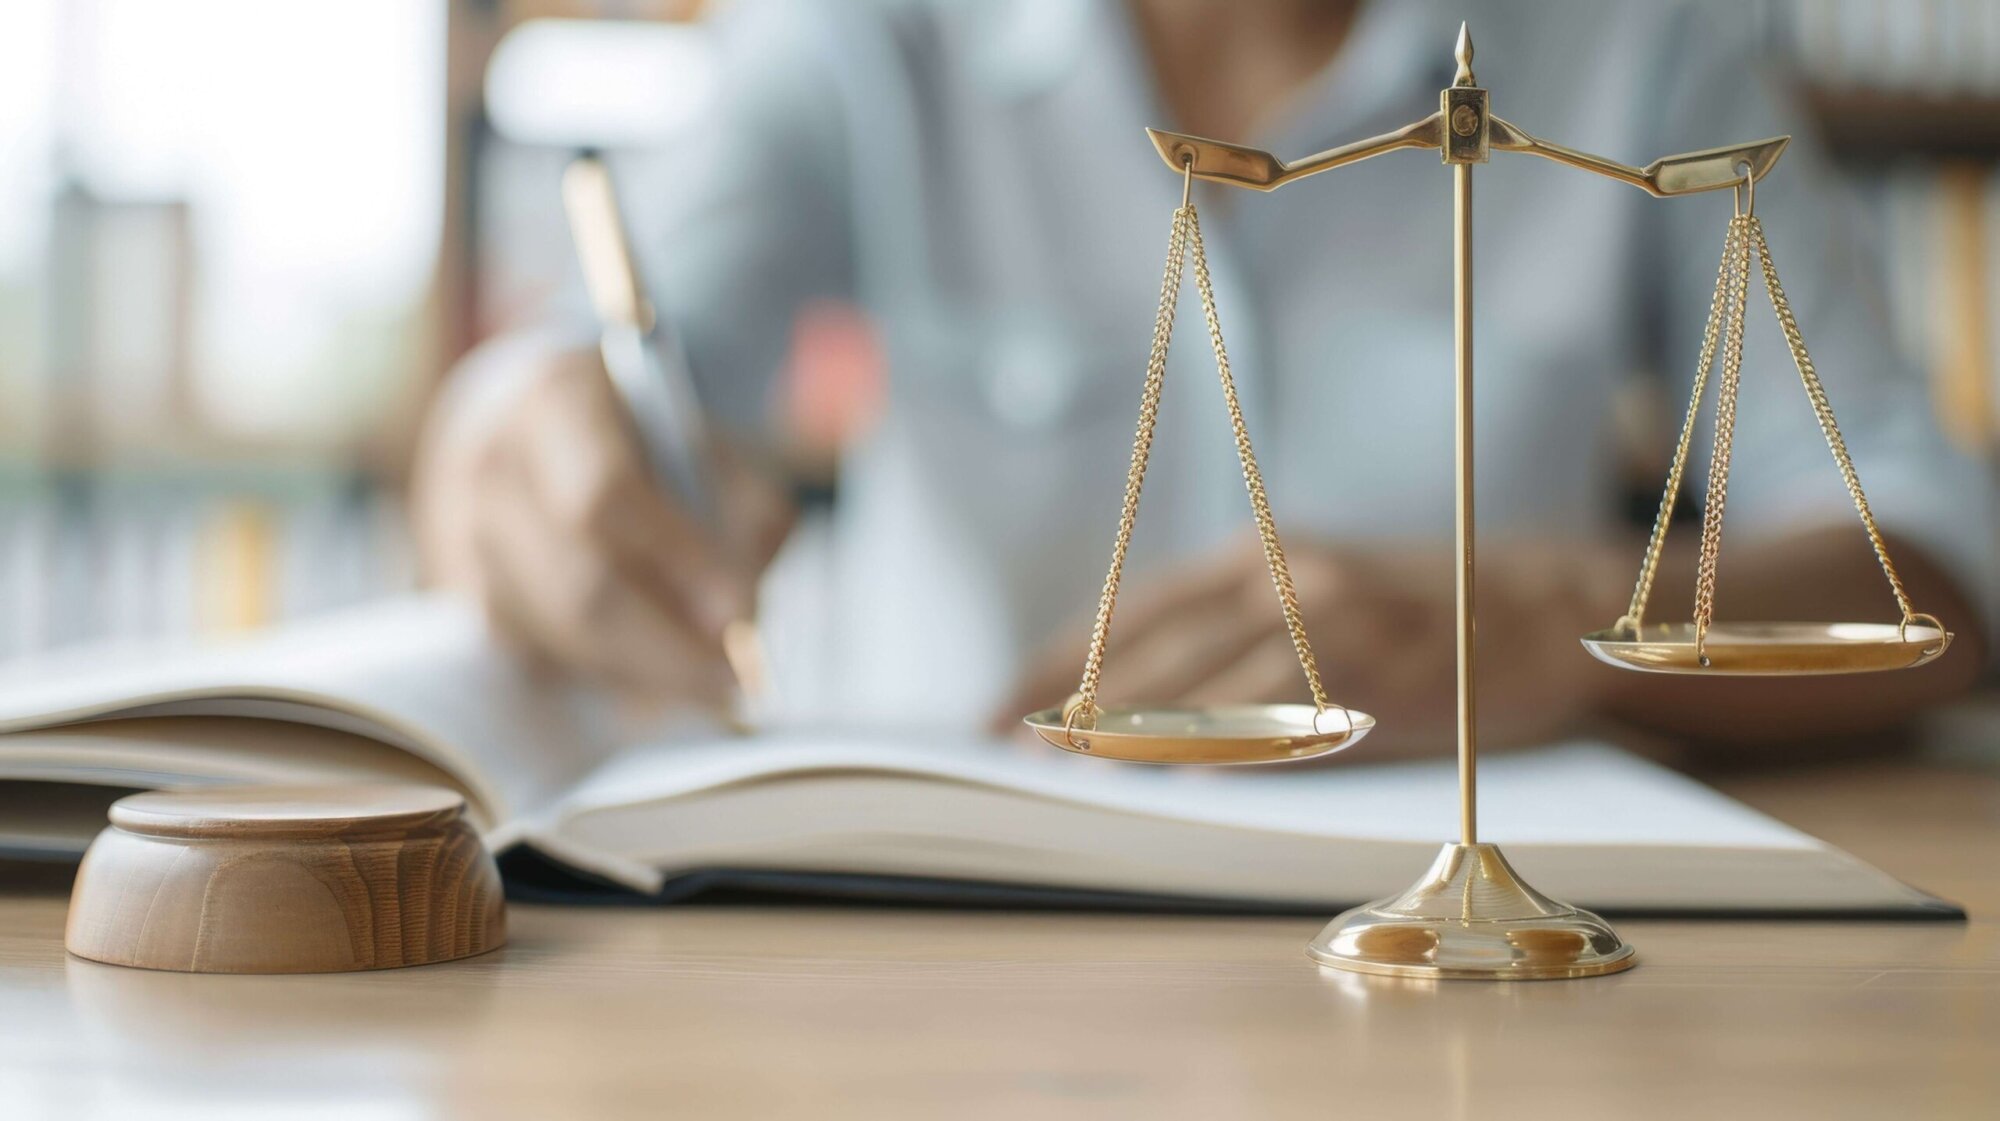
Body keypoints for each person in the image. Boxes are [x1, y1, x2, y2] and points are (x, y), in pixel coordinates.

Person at [414, 0, 1990, 759]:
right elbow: (592, 369)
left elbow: (1934, 573)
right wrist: (506, 428)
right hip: (938, 968)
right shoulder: (863, 40)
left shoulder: (1649, 48)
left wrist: (1560, 621)